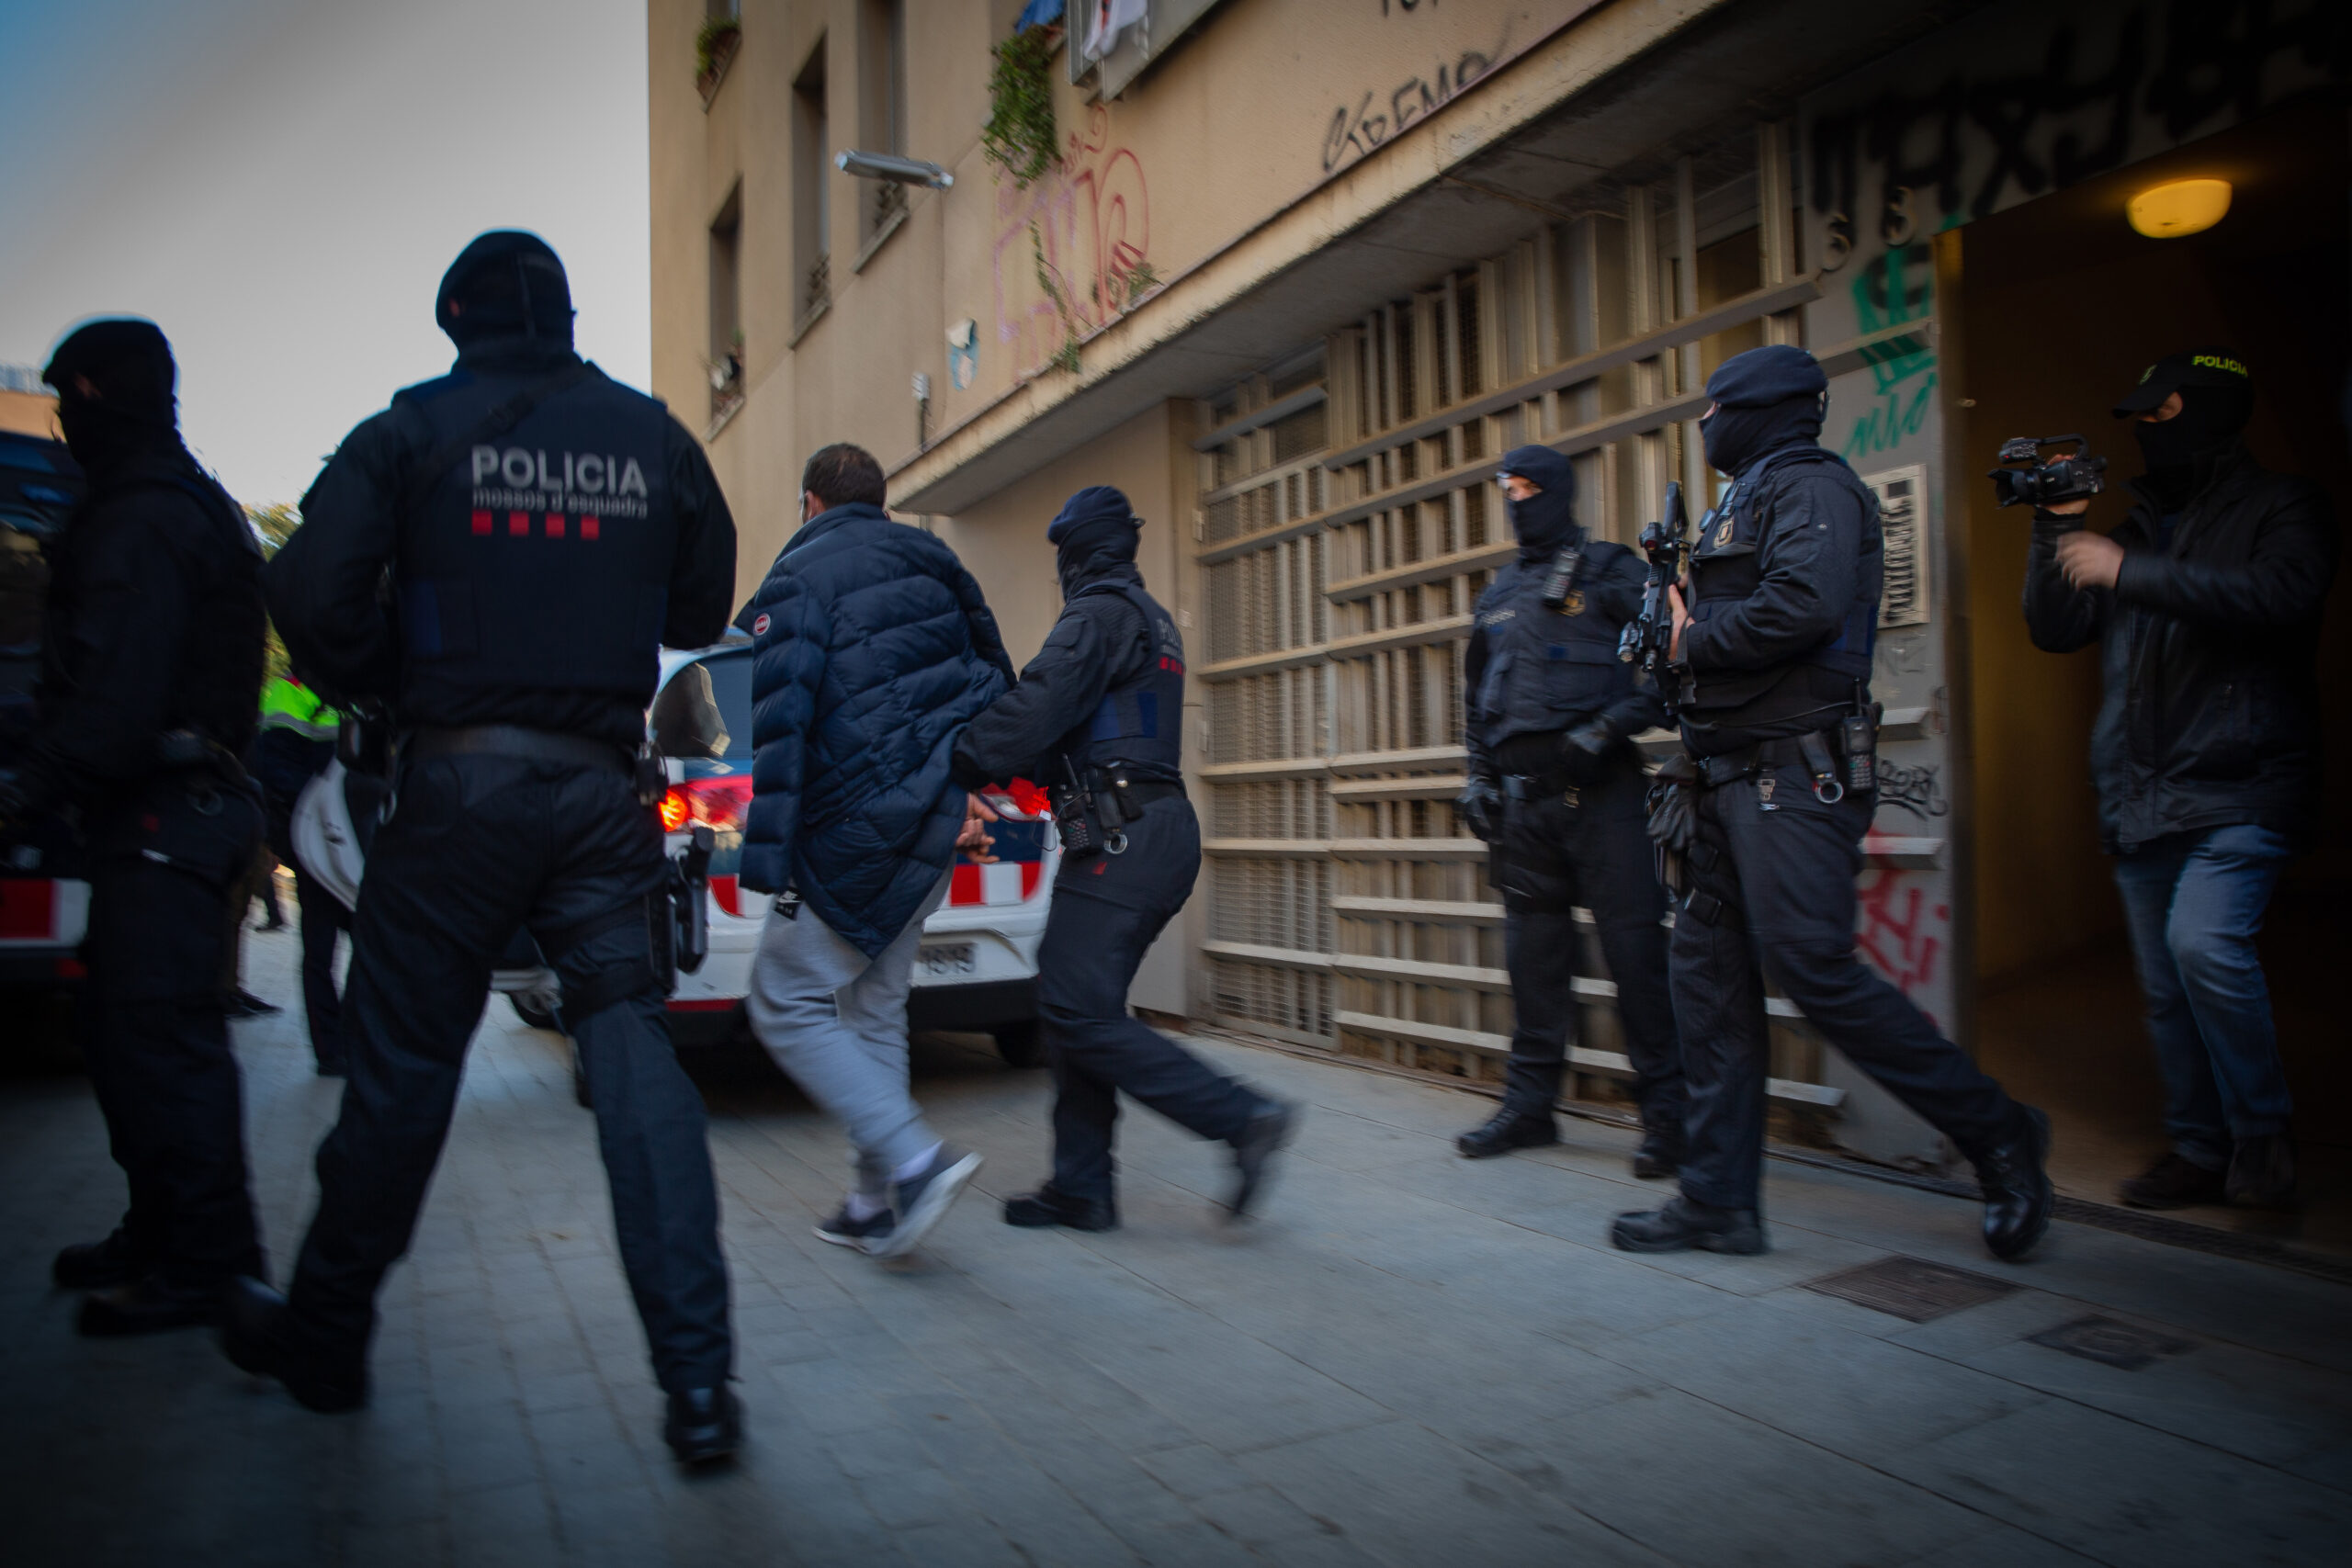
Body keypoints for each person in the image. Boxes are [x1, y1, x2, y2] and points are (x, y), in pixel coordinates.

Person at [221, 231, 742, 1463]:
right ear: (565, 319)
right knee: (637, 1070)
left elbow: (304, 594)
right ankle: (700, 1391)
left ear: (456, 319)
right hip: (601, 796)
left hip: (455, 789)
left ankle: (325, 1337)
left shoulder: (408, 430)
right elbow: (699, 607)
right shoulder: (655, 438)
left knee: (401, 1068)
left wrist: (394, 679)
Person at [1614, 344, 2052, 1260]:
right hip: (1720, 779)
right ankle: (1717, 1201)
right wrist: (1666, 641)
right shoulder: (1744, 497)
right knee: (1708, 986)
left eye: (1715, 408)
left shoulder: (1812, 485)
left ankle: (2000, 1132)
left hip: (1793, 776)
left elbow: (1800, 609)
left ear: (1762, 409)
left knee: (1813, 970)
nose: (1704, 424)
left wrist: (1690, 642)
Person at [0, 320, 268, 1335]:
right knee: (123, 1038)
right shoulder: (175, 499)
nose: (64, 429)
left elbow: (117, 690)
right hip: (163, 810)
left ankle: (205, 1267)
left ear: (92, 397)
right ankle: (163, 1233)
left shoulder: (147, 515)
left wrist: (24, 794)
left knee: (164, 1045)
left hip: (167, 810)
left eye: (69, 404)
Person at [2025, 349, 2336, 1211]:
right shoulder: (2136, 528)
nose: (2146, 433)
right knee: (2167, 989)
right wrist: (2054, 525)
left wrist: (2129, 571)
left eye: (2160, 415)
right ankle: (2201, 1149)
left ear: (2211, 409)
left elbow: (2281, 596)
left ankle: (2262, 1136)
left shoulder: (2286, 506)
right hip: (2143, 793)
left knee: (2206, 945)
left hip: (2242, 781)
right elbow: (2055, 628)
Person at [951, 487, 1295, 1233]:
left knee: (1070, 1003)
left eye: (1060, 551)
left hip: (1126, 836)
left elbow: (1038, 707)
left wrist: (960, 755)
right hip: (1145, 829)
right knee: (1078, 1000)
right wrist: (1002, 781)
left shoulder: (1098, 614)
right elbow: (1068, 735)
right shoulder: (1148, 615)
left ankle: (1241, 1116)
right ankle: (1081, 1187)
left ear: (1077, 551)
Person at [733, 443, 1012, 1259]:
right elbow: (994, 680)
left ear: (810, 503)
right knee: (875, 1008)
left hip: (850, 835)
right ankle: (870, 1202)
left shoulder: (797, 578)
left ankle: (917, 1161)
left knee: (782, 998)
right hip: (930, 828)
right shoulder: (937, 563)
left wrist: (770, 863)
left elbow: (781, 731)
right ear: (881, 504)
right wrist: (963, 784)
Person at [1453, 445, 1686, 1173]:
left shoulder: (1611, 570)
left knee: (1637, 962)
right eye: (1509, 489)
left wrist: (1606, 728)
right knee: (1534, 967)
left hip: (1606, 799)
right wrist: (1478, 778)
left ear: (1558, 491)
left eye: (1528, 488)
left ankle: (1670, 1120)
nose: (1517, 501)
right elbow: (1477, 703)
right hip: (1524, 810)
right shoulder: (1497, 594)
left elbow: (1670, 669)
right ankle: (1530, 1109)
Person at [249, 671, 347, 1074]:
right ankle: (331, 1051)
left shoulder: (359, 691)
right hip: (318, 844)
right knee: (321, 948)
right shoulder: (287, 693)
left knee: (375, 947)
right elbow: (275, 772)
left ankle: (359, 1038)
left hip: (362, 842)